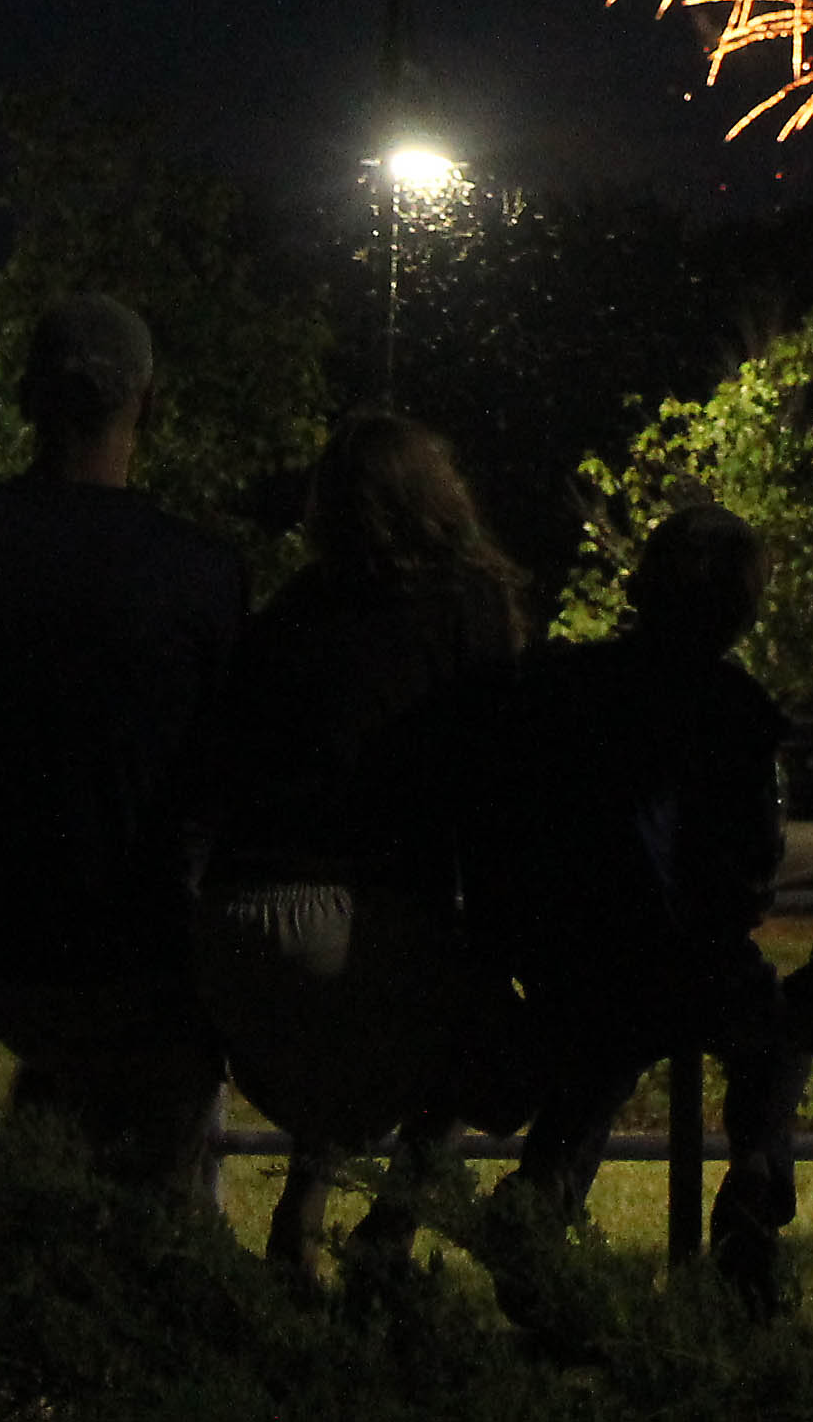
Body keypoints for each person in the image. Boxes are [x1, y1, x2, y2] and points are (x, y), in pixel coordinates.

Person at [0, 295, 249, 1209]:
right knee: (163, 1100)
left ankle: (33, 1208)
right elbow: (222, 780)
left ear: (24, 397)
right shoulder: (204, 570)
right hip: (136, 951)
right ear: (148, 405)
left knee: (65, 1063)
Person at [188, 413, 528, 1280]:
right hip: (360, 912)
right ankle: (391, 1228)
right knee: (492, 1045)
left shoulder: (286, 616)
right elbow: (495, 782)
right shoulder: (467, 606)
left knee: (342, 1038)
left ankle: (299, 1226)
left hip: (232, 925)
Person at [477, 504, 808, 1316]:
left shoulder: (568, 683)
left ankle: (544, 1198)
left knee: (592, 1063)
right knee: (777, 1032)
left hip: (583, 953)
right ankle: (756, 1181)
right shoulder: (737, 706)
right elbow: (755, 859)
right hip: (695, 958)